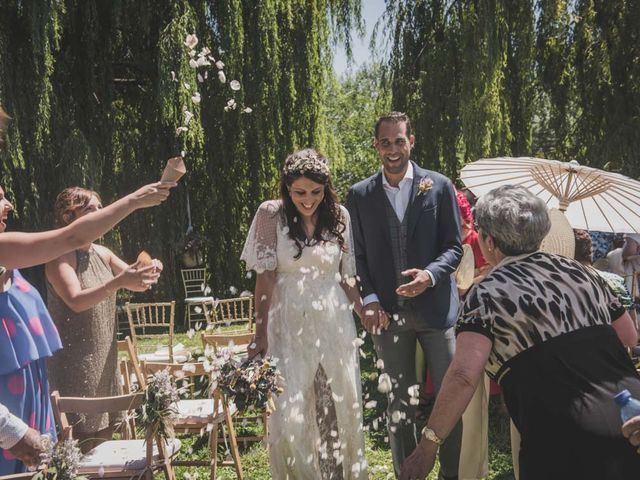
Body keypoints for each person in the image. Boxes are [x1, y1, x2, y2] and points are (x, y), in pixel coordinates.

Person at [399, 185, 640, 480]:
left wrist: (427, 447)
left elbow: (463, 375)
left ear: (489, 241)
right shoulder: (583, 273)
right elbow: (629, 336)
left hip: (561, 435)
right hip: (630, 413)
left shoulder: (486, 294)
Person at [0, 104, 174, 473]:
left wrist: (144, 272)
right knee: (80, 443)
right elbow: (77, 289)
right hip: (39, 395)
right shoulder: (54, 255)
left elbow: (125, 273)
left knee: (97, 440)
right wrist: (136, 199)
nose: (8, 203)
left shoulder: (94, 251)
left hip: (38, 409)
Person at [346, 111, 463, 479]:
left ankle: (451, 475)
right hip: (388, 315)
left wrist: (429, 276)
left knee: (449, 401)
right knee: (399, 405)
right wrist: (370, 300)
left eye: (399, 141)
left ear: (411, 141)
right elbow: (356, 255)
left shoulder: (439, 186)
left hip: (436, 312)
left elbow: (454, 247)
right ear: (376, 146)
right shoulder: (360, 195)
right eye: (385, 142)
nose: (393, 149)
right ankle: (406, 474)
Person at [241, 148, 368, 479]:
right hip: (288, 324)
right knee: (292, 409)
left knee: (336, 403)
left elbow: (346, 277)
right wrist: (260, 334)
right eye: (299, 192)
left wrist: (364, 311)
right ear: (286, 188)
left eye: (316, 192)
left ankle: (337, 475)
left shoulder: (340, 216)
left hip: (333, 324)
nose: (308, 200)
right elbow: (265, 277)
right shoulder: (270, 215)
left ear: (326, 188)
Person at [45, 187, 162, 449]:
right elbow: (76, 300)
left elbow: (135, 282)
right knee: (80, 445)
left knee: (105, 439)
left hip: (103, 358)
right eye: (92, 209)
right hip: (73, 362)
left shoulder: (103, 253)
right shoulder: (57, 256)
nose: (102, 214)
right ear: (68, 217)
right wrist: (118, 282)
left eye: (101, 208)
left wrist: (150, 269)